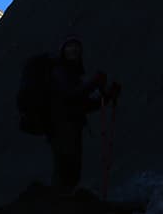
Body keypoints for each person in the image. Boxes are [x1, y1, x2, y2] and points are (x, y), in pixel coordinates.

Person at [47, 37, 120, 194]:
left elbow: (82, 103)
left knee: (70, 168)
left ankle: (61, 201)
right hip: (61, 127)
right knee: (67, 167)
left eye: (76, 47)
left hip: (69, 126)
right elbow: (69, 97)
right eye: (70, 47)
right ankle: (60, 202)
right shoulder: (60, 72)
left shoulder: (71, 74)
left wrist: (106, 97)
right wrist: (94, 83)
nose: (74, 50)